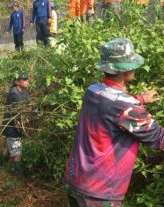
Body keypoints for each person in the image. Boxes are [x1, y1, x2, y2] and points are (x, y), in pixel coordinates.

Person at [64, 38, 164, 206]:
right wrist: (135, 103)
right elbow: (159, 138)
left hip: (75, 180)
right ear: (127, 69)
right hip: (99, 193)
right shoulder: (126, 107)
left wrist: (139, 99)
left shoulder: (92, 91)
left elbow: (110, 108)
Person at [0, 73, 30, 178]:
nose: (26, 81)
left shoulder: (24, 92)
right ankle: (19, 179)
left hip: (16, 126)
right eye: (24, 79)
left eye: (27, 79)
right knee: (17, 154)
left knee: (7, 149)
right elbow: (15, 111)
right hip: (12, 126)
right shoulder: (14, 93)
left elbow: (28, 104)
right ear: (17, 82)